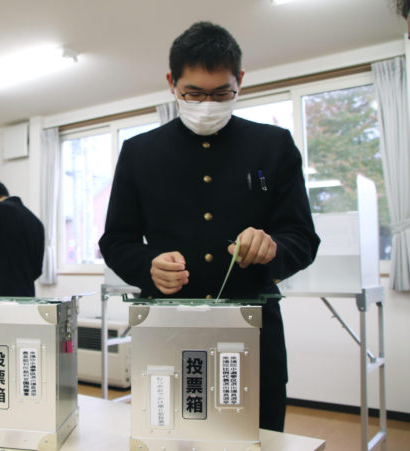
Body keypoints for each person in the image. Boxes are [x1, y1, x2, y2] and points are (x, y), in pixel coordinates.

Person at [98, 21, 320, 432]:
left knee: (257, 438)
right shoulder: (139, 153)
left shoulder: (273, 146)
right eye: (194, 94)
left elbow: (303, 238)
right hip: (167, 333)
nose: (207, 104)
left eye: (222, 93)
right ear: (171, 83)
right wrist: (148, 264)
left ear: (241, 81)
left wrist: (272, 248)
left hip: (254, 335)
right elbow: (116, 239)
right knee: (168, 435)